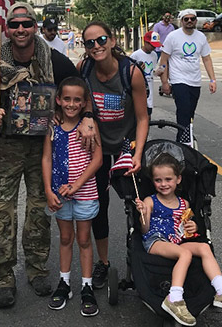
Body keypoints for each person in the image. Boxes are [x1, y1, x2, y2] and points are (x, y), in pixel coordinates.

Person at [0, 2, 95, 308]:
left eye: (26, 24)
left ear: (35, 27)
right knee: (1, 214)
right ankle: (3, 278)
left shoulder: (55, 62)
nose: (20, 30)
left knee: (39, 212)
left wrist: (86, 119)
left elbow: (82, 93)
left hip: (44, 148)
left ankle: (37, 269)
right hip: (7, 148)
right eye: (14, 25)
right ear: (7, 29)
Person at [77, 21, 149, 289]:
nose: (96, 46)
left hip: (125, 144)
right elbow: (79, 98)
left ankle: (144, 258)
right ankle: (103, 263)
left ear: (112, 41)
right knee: (99, 206)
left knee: (136, 203)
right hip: (96, 146)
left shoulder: (131, 73)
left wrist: (138, 154)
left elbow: (143, 118)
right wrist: (86, 116)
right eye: (90, 43)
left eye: (101, 39)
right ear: (85, 49)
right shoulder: (84, 69)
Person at [135, 153, 222, 326]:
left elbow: (186, 229)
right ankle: (175, 298)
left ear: (178, 179)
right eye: (158, 180)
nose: (163, 184)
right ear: (153, 181)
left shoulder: (184, 204)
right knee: (185, 254)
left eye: (168, 179)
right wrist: (144, 213)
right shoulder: (150, 201)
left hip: (177, 239)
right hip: (156, 240)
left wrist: (192, 227)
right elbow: (144, 229)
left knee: (204, 248)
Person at [42, 76, 103, 317]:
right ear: (58, 100)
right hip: (59, 193)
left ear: (84, 103)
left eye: (77, 100)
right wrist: (48, 190)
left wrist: (77, 185)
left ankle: (87, 285)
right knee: (65, 238)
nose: (71, 104)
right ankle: (64, 283)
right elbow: (46, 158)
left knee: (84, 239)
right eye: (66, 99)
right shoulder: (52, 127)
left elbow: (97, 159)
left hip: (85, 193)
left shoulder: (89, 127)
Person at [159, 9, 217, 144]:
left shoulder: (201, 37)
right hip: (178, 80)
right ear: (181, 21)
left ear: (196, 21)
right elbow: (163, 61)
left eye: (192, 19)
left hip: (195, 81)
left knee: (190, 112)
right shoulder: (173, 37)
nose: (189, 21)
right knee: (183, 110)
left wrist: (212, 79)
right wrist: (165, 82)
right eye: (186, 19)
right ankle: (183, 140)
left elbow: (206, 59)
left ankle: (187, 135)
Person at [130, 30, 162, 117]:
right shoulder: (135, 55)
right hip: (139, 91)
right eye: (152, 45)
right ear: (145, 42)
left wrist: (157, 72)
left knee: (148, 116)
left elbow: (151, 71)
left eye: (155, 46)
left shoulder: (154, 55)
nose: (154, 48)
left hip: (149, 92)